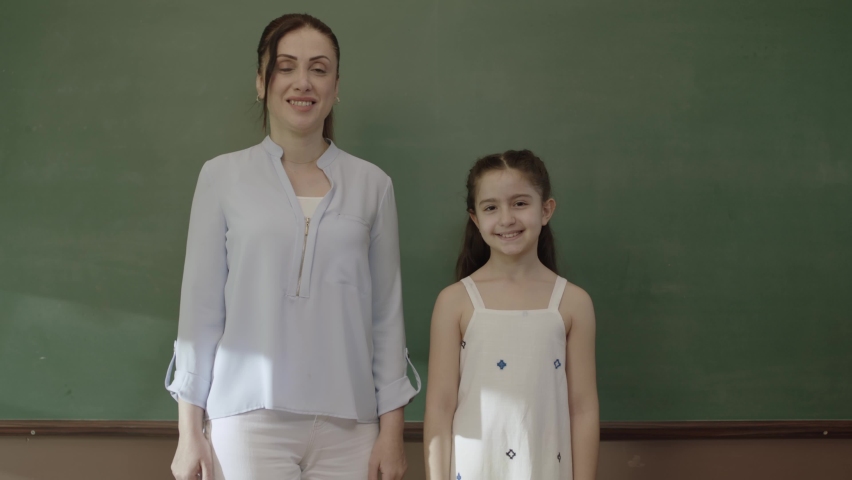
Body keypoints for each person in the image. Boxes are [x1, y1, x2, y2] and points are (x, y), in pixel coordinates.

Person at [165, 13, 419, 480]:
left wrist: (391, 431)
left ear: (336, 86)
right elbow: (199, 313)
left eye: (319, 69)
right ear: (261, 82)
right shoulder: (221, 177)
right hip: (246, 420)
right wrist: (189, 430)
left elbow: (386, 317)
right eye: (286, 67)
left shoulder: (373, 185)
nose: (303, 82)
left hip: (352, 425)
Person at [423, 150, 599, 479]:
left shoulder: (573, 303)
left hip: (546, 467)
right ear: (475, 219)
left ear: (546, 210)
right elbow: (440, 406)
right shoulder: (455, 301)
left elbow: (583, 408)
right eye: (491, 207)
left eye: (520, 203)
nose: (506, 219)